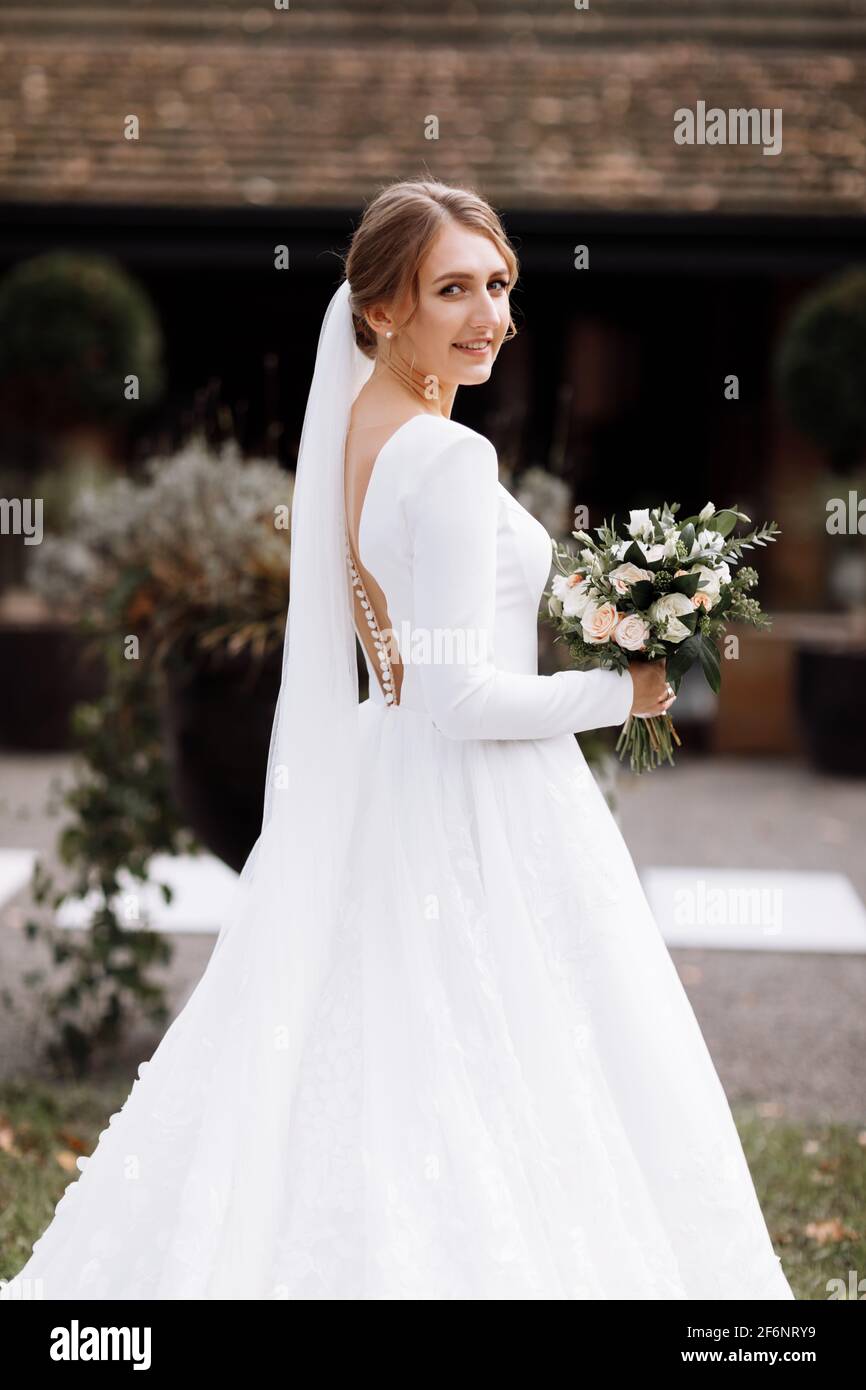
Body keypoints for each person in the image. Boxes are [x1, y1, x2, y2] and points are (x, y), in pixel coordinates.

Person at [3, 178, 794, 1300]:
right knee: (510, 1057)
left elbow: (414, 661)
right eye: (452, 290)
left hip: (386, 783)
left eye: (499, 285)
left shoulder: (363, 433)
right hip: (474, 794)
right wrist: (625, 691)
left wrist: (608, 595)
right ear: (379, 309)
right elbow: (458, 696)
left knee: (377, 1050)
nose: (488, 317)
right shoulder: (447, 456)